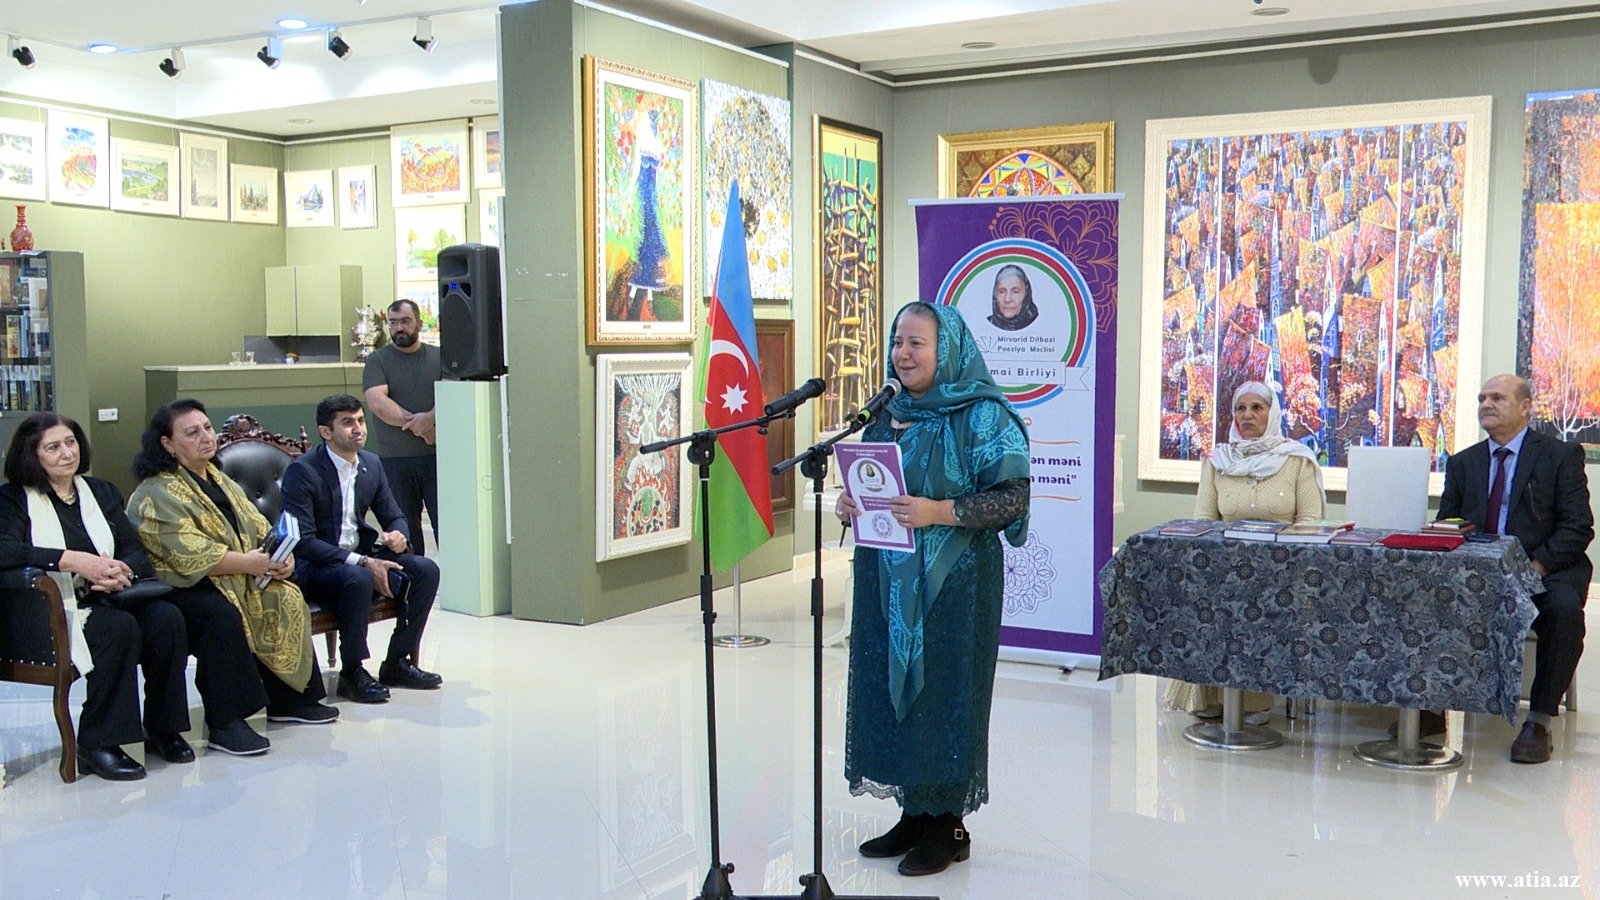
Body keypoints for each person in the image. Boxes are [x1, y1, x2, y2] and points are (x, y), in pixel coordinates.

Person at [836, 302, 1030, 877]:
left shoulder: (983, 415)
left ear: (947, 350)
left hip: (957, 586)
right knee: (893, 691)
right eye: (898, 341)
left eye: (917, 343)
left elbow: (1012, 498)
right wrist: (851, 503)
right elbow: (874, 481)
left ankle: (947, 825)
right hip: (887, 580)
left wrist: (936, 511)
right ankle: (913, 813)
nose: (903, 353)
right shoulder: (888, 411)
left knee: (947, 694)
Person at [128, 399, 338, 757]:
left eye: (207, 428)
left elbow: (259, 527)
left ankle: (291, 700)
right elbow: (189, 552)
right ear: (167, 444)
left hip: (237, 570)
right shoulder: (155, 492)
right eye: (192, 433)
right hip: (181, 584)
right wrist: (252, 564)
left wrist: (279, 558)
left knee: (284, 593)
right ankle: (226, 722)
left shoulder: (217, 477)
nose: (205, 437)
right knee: (220, 615)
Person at [0, 413, 189, 779]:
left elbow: (133, 548)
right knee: (117, 629)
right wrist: (71, 560)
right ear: (31, 455)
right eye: (53, 447)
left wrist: (122, 569)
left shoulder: (100, 491)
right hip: (50, 609)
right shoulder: (11, 499)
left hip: (110, 595)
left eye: (70, 443)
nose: (66, 453)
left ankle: (164, 728)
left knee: (166, 619)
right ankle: (98, 743)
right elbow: (5, 550)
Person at [1438, 374, 1592, 764]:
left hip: (1546, 567)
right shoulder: (1463, 463)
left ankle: (1538, 721)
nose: (1486, 405)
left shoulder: (1560, 455)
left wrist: (1534, 568)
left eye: (1497, 398)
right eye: (1482, 398)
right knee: (1429, 600)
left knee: (1563, 612)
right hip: (1482, 572)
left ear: (1525, 407)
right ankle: (1429, 707)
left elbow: (1578, 527)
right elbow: (1447, 524)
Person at [1170, 380, 1325, 723]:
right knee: (1203, 597)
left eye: (1257, 408)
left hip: (1280, 572)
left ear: (1272, 413)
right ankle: (1209, 693)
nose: (1247, 415)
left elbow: (1310, 524)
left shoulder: (1296, 460)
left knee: (1258, 603)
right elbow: (1204, 521)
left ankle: (1254, 700)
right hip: (1224, 569)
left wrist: (1281, 563)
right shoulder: (1218, 460)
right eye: (1240, 408)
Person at [280, 394, 441, 704]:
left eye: (361, 420)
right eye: (347, 423)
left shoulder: (371, 463)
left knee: (425, 570)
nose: (358, 429)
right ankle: (352, 672)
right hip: (317, 564)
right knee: (358, 577)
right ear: (326, 432)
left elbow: (394, 515)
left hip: (361, 554)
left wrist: (398, 534)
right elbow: (304, 541)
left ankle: (397, 662)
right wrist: (363, 562)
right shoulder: (304, 472)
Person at [363, 298, 442, 556]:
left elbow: (453, 393)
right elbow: (377, 402)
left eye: (405, 322)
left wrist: (430, 417)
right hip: (396, 461)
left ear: (419, 323)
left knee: (448, 526)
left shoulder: (440, 357)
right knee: (405, 530)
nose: (399, 328)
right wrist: (421, 426)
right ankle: (415, 578)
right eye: (394, 323)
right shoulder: (378, 360)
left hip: (439, 458)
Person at [985, 264, 1038, 332]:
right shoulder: (985, 324)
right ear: (995, 294)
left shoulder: (1039, 322)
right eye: (1002, 292)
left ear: (1026, 293)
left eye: (1015, 292)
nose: (1007, 299)